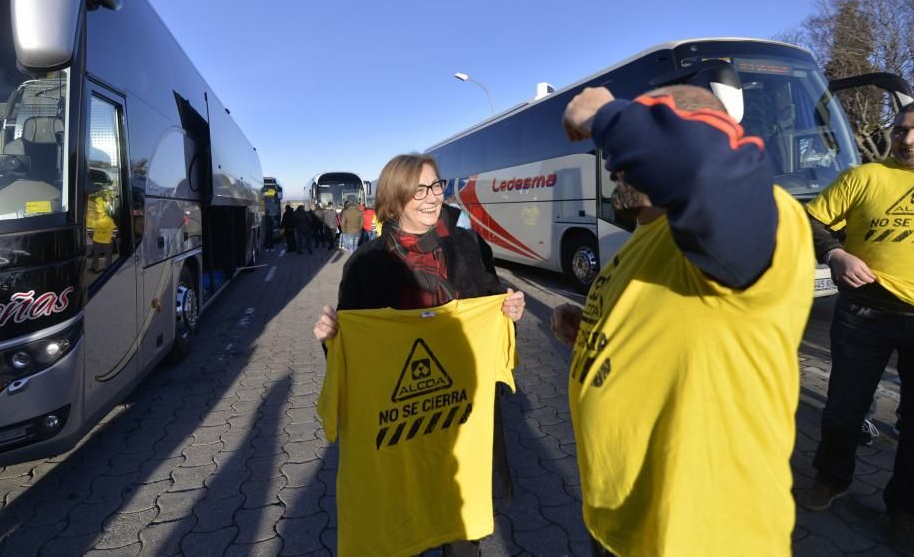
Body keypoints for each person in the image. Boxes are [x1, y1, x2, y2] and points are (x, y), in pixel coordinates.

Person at [550, 85, 814, 555]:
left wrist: (606, 113)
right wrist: (595, 331)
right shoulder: (647, 236)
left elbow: (704, 169)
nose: (614, 163)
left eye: (650, 125)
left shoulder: (773, 216)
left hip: (701, 534)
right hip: (621, 524)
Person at [313, 153, 526, 556]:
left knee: (463, 540)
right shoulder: (366, 265)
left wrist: (508, 310)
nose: (432, 197)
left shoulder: (467, 246)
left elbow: (492, 298)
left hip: (460, 420)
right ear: (395, 199)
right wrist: (333, 339)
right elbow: (357, 359)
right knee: (400, 530)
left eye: (436, 186)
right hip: (401, 431)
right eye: (420, 190)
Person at [797, 101, 914, 553]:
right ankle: (831, 480)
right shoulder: (864, 177)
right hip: (864, 314)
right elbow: (808, 220)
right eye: (901, 130)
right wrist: (836, 254)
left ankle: (906, 509)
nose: (906, 140)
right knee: (845, 409)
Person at [86, 193, 116, 273]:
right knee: (108, 256)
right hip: (107, 241)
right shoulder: (109, 220)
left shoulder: (94, 219)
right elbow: (115, 230)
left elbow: (89, 229)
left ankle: (94, 268)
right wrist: (112, 238)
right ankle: (108, 269)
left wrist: (93, 237)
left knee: (97, 255)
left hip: (97, 241)